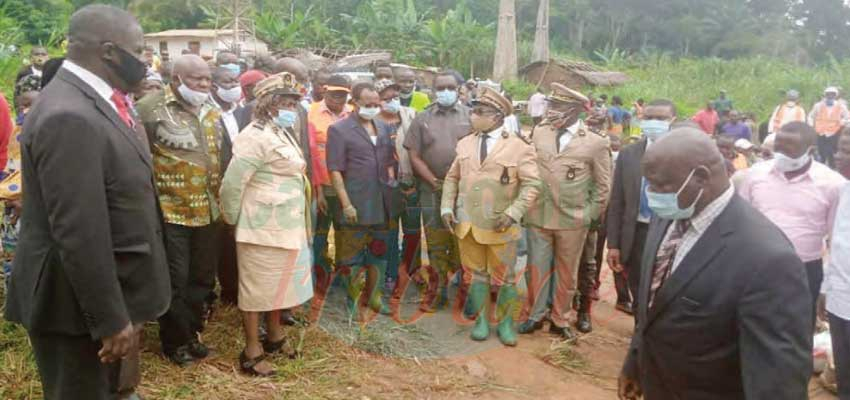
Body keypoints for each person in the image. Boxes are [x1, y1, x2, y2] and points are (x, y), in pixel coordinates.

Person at [3, 5, 170, 399]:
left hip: (101, 294)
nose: (146, 61)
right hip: (75, 308)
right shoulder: (69, 114)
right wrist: (109, 318)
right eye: (141, 50)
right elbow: (78, 230)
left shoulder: (95, 101)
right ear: (110, 52)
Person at [618, 127, 812, 400]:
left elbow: (778, 377)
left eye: (660, 185)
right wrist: (635, 362)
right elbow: (654, 305)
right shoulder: (670, 211)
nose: (652, 194)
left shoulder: (768, 259)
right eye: (649, 184)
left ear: (701, 178)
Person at [219, 72, 313, 376]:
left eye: (294, 102)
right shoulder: (254, 135)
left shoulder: (281, 132)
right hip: (260, 227)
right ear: (269, 104)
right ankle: (251, 349)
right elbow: (232, 185)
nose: (292, 108)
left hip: (286, 224)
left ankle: (273, 336)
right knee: (256, 288)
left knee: (279, 286)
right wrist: (233, 221)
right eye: (285, 102)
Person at [137, 54, 225, 366]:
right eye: (197, 78)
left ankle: (192, 334)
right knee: (175, 279)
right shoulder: (150, 109)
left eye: (207, 79)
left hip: (209, 210)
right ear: (176, 79)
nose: (204, 84)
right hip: (171, 210)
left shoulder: (212, 110)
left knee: (201, 279)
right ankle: (175, 343)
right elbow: (139, 159)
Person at [441, 86, 541, 346]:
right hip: (467, 223)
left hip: (500, 225)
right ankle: (482, 321)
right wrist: (446, 208)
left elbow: (532, 185)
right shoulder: (465, 143)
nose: (473, 115)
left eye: (480, 112)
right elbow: (452, 177)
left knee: (506, 277)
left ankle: (506, 324)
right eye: (473, 110)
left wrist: (514, 212)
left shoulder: (519, 148)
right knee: (476, 274)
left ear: (497, 116)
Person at [520, 83, 610, 339]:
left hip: (573, 220)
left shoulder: (595, 143)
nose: (551, 111)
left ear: (574, 111)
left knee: (567, 273)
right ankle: (536, 315)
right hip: (540, 215)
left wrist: (589, 215)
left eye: (558, 106)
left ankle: (560, 319)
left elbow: (603, 186)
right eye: (551, 105)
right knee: (536, 269)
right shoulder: (540, 132)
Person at [736, 121, 845, 319]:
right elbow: (740, 221)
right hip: (755, 266)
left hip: (804, 270)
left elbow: (837, 240)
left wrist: (826, 286)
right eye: (777, 148)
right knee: (753, 323)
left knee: (799, 328)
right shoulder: (756, 174)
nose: (780, 154)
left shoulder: (833, 184)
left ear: (810, 150)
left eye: (789, 150)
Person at [327, 82, 395, 317]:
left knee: (379, 251)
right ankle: (352, 298)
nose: (373, 108)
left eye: (377, 104)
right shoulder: (339, 130)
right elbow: (334, 170)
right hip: (355, 201)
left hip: (381, 201)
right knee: (351, 254)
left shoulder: (384, 127)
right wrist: (346, 203)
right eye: (368, 104)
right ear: (354, 103)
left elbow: (388, 162)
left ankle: (374, 296)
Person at [404, 72, 471, 312]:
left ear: (458, 88)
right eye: (440, 88)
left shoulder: (471, 116)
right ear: (433, 90)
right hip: (431, 189)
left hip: (463, 190)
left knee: (461, 239)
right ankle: (437, 290)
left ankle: (463, 291)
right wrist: (432, 180)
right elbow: (413, 155)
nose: (445, 92)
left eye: (450, 87)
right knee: (434, 239)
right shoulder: (422, 118)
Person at [607, 99, 677, 317]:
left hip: (668, 234)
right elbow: (617, 201)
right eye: (649, 118)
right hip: (636, 233)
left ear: (672, 120)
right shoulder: (629, 154)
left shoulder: (681, 155)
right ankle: (639, 337)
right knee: (637, 288)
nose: (654, 122)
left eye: (661, 118)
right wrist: (614, 245)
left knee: (664, 290)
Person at [307, 74, 352, 320]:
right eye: (334, 93)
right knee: (319, 235)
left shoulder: (353, 113)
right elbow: (310, 154)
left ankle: (344, 280)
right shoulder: (310, 113)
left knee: (346, 234)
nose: (339, 98)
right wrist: (318, 190)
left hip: (347, 190)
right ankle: (320, 279)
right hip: (322, 187)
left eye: (343, 94)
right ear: (324, 91)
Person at [373, 79, 420, 299]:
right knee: (390, 234)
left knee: (412, 232)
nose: (391, 101)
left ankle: (411, 271)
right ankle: (390, 275)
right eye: (385, 98)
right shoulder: (371, 121)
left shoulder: (411, 115)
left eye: (394, 96)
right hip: (384, 189)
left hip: (410, 184)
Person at [210, 66, 244, 306]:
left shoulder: (240, 112)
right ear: (214, 86)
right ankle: (227, 290)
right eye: (227, 82)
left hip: (241, 182)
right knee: (221, 240)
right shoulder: (208, 113)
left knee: (236, 238)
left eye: (235, 81)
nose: (233, 86)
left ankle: (236, 287)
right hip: (217, 184)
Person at [809, 86, 850, 168]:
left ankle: (832, 168)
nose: (830, 96)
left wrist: (842, 123)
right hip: (821, 132)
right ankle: (820, 168)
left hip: (834, 133)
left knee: (832, 152)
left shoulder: (841, 106)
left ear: (835, 96)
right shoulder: (818, 106)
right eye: (828, 94)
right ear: (825, 95)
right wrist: (811, 126)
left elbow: (847, 118)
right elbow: (811, 116)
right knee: (821, 152)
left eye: (832, 94)